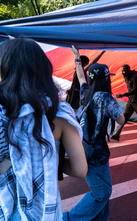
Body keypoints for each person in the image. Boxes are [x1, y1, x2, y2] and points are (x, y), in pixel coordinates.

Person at [0, 38, 87, 221]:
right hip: (45, 210)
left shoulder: (3, 116)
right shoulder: (59, 113)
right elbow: (80, 169)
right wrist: (47, 158)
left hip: (6, 207)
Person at [63, 46, 124, 221]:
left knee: (103, 190)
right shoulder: (105, 97)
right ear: (106, 79)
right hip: (96, 154)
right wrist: (116, 104)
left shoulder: (86, 93)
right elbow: (120, 120)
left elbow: (81, 77)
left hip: (84, 149)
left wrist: (77, 58)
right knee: (102, 193)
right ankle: (68, 218)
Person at [111, 64, 137, 141]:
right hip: (130, 100)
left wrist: (124, 94)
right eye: (121, 71)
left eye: (124, 70)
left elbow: (135, 90)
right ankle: (117, 134)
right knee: (124, 117)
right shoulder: (126, 76)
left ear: (128, 70)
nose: (122, 72)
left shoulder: (136, 77)